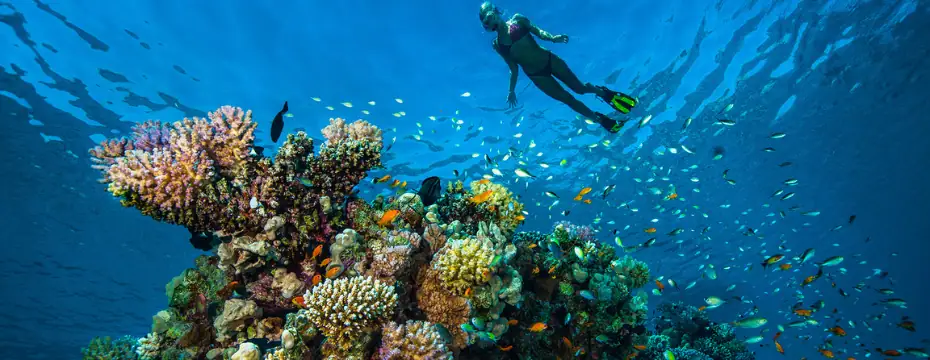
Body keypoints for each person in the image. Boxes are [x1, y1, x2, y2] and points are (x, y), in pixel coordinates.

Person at [478, 1, 637, 133]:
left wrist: (554, 38)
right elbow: (513, 68)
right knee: (567, 99)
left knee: (579, 88)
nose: (490, 19)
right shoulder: (498, 45)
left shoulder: (518, 20)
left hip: (549, 59)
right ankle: (599, 119)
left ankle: (603, 93)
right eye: (486, 19)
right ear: (486, 25)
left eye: (490, 14)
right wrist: (511, 90)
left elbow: (539, 32)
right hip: (537, 76)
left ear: (496, 11)